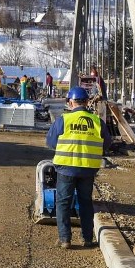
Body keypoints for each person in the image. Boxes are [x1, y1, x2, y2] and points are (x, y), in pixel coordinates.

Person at [45, 86, 112, 249]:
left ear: (70, 102)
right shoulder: (97, 122)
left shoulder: (63, 120)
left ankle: (65, 239)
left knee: (63, 202)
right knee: (85, 202)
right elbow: (107, 144)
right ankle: (87, 239)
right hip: (88, 169)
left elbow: (51, 142)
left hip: (66, 169)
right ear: (87, 102)